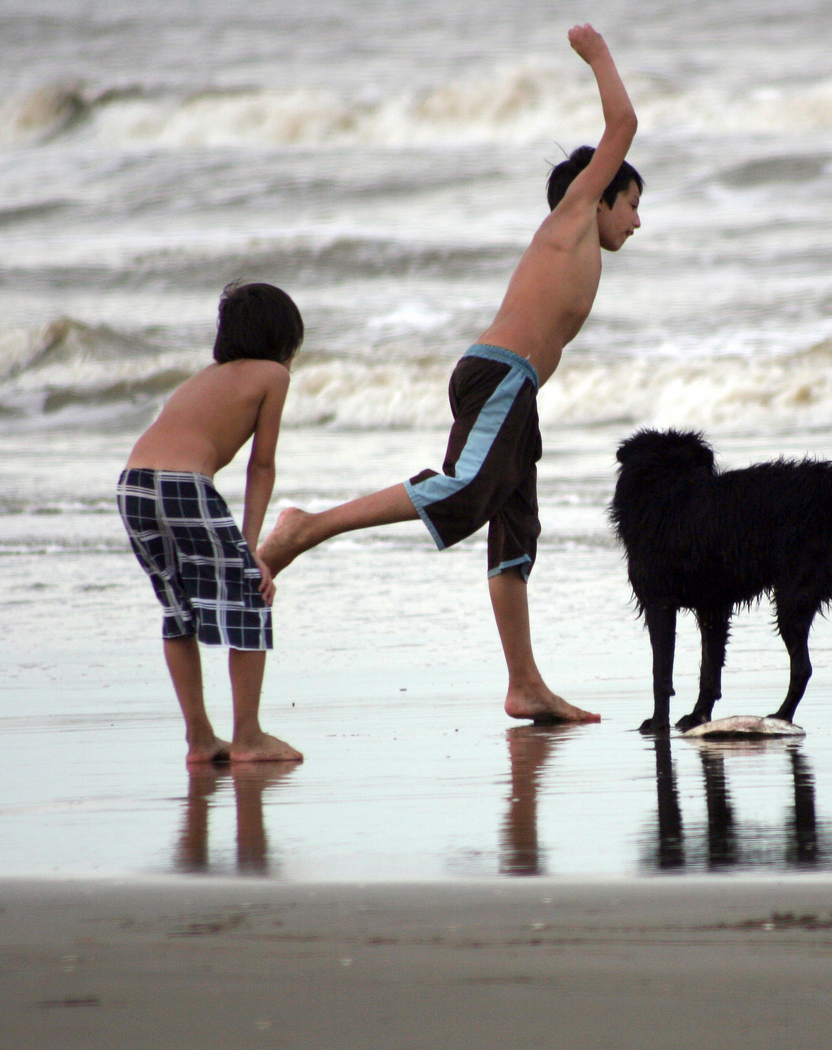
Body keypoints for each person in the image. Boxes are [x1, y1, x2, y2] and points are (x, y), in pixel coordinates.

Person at [260, 24, 641, 724]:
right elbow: (623, 122)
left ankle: (524, 684)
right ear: (601, 194)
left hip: (516, 394)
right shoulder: (572, 217)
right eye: (634, 202)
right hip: (498, 376)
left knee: (514, 532)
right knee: (464, 491)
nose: (638, 221)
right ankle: (305, 527)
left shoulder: (581, 237)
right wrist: (597, 55)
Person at [118, 281, 304, 763]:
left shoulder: (202, 377)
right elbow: (261, 465)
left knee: (177, 608)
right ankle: (247, 737)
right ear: (284, 340)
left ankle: (200, 739)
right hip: (183, 485)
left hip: (134, 484)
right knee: (250, 598)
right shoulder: (272, 375)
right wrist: (251, 552)